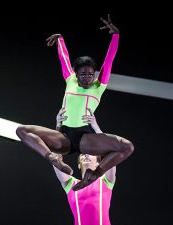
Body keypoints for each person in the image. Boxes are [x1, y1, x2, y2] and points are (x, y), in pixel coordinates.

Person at [16, 14, 134, 190]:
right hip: (63, 137)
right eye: (83, 74)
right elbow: (64, 59)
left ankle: (94, 174)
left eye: (90, 74)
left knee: (127, 147)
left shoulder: (98, 85)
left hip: (86, 138)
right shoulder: (70, 80)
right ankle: (52, 158)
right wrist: (60, 40)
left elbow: (109, 60)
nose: (87, 78)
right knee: (22, 130)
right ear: (76, 74)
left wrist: (116, 36)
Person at [53, 108, 116, 225]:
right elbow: (55, 159)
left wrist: (96, 127)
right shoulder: (71, 184)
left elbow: (111, 149)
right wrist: (58, 128)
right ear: (79, 163)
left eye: (91, 154)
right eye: (83, 154)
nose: (86, 154)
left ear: (98, 162)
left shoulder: (106, 181)